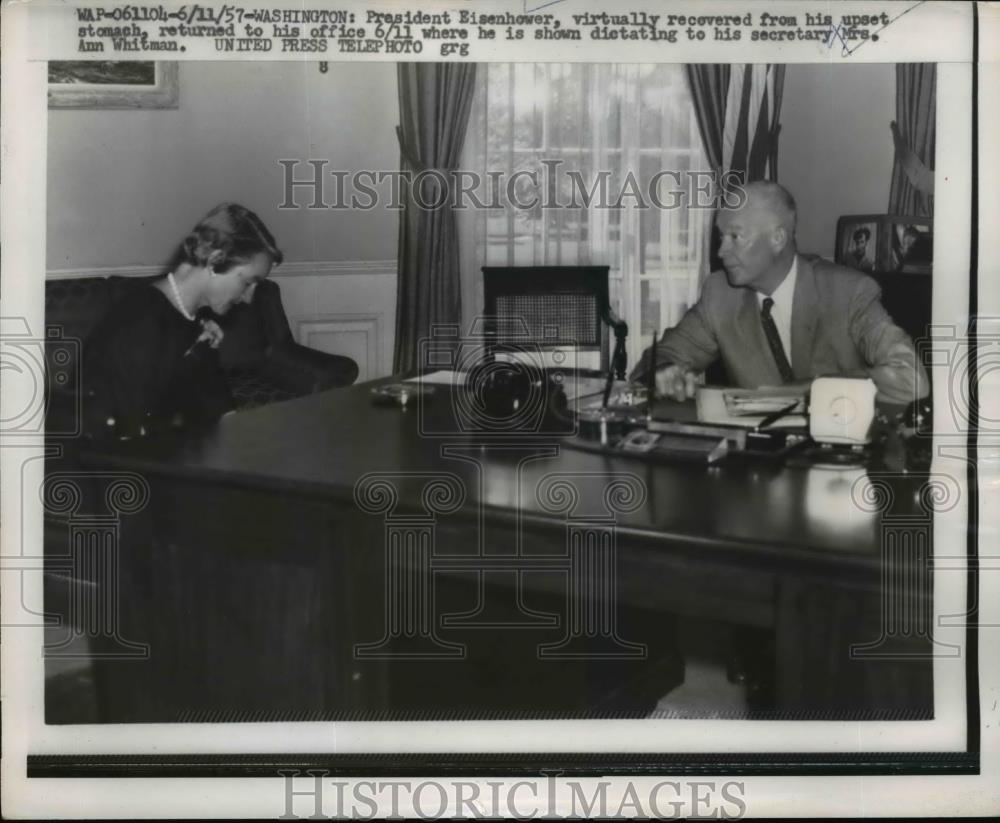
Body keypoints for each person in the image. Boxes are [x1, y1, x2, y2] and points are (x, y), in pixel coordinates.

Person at [631, 182, 929, 407]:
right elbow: (657, 360)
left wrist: (812, 389)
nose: (721, 251)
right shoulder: (719, 295)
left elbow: (911, 379)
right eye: (721, 238)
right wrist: (665, 372)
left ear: (777, 238)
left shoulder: (847, 292)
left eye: (735, 237)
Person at [83, 203, 283, 439]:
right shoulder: (141, 323)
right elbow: (132, 441)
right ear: (215, 260)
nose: (249, 299)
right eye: (248, 282)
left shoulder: (195, 319)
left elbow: (220, 410)